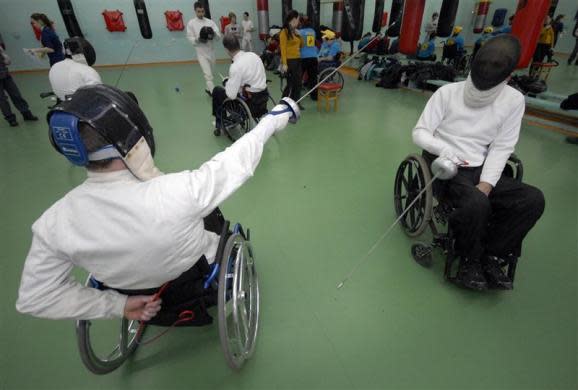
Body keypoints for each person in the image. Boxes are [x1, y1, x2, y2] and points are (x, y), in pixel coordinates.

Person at [15, 83, 297, 324]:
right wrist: (271, 121)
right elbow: (236, 161)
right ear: (134, 136)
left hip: (130, 293)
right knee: (211, 214)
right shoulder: (178, 192)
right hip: (194, 281)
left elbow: (35, 297)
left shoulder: (53, 223)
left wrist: (117, 306)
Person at [412, 35, 545, 291]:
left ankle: (492, 254)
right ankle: (469, 261)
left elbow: (503, 146)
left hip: (483, 168)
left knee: (532, 199)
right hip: (446, 168)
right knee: (475, 204)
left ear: (507, 78)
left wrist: (487, 182)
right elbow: (420, 132)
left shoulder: (513, 100)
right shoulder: (446, 93)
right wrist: (444, 148)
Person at [212, 34, 269, 133]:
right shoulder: (254, 55)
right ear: (239, 44)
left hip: (250, 103)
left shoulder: (236, 66)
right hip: (263, 98)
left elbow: (231, 95)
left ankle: (220, 122)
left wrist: (227, 83)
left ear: (226, 49)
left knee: (217, 91)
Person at [49, 37, 102, 101]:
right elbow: (98, 94)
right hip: (83, 106)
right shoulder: (87, 70)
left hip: (63, 105)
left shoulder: (54, 66)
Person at [186, 1, 221, 95]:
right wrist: (198, 39)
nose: (201, 13)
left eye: (202, 11)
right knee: (208, 75)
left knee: (211, 73)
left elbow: (218, 36)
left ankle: (207, 88)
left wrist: (213, 34)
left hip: (211, 51)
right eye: (198, 11)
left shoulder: (210, 22)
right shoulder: (191, 23)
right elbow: (190, 37)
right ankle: (214, 94)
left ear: (204, 10)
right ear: (195, 11)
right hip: (201, 53)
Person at [0, 45, 38, 127]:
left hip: (6, 75)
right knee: (2, 100)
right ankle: (11, 119)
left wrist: (2, 53)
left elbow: (8, 62)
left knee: (16, 94)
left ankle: (26, 114)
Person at [279, 10, 303, 104]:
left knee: (298, 83)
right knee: (290, 84)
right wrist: (284, 64)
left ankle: (295, 103)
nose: (298, 22)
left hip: (297, 60)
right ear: (293, 19)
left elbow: (301, 45)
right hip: (290, 61)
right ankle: (282, 104)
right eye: (298, 20)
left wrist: (299, 36)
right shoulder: (284, 32)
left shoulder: (295, 31)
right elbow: (283, 49)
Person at [298, 16, 319, 101]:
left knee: (299, 78)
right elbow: (313, 43)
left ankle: (297, 96)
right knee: (313, 78)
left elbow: (299, 45)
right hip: (313, 57)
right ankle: (314, 96)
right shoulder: (313, 32)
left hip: (303, 57)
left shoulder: (300, 32)